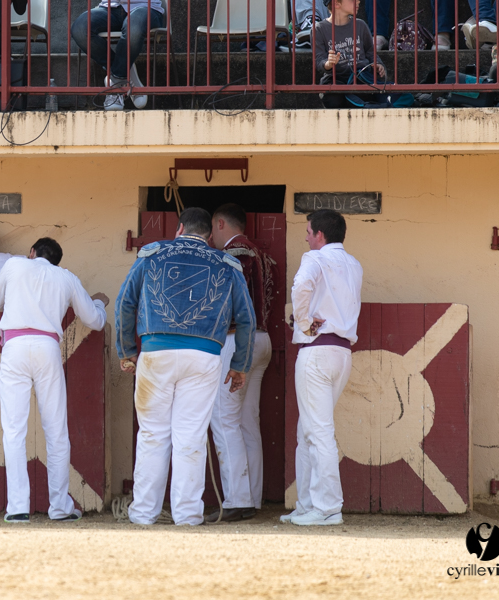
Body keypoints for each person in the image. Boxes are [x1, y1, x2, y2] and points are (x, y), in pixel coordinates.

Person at [114, 207, 256, 526]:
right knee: (190, 436)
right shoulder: (226, 263)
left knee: (152, 434)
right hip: (204, 356)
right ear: (209, 236)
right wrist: (240, 365)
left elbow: (125, 302)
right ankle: (188, 516)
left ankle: (143, 513)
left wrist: (127, 350)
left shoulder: (150, 255)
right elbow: (247, 319)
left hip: (156, 354)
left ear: (179, 230)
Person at [0, 237, 107, 522]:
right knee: (56, 430)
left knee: (14, 430)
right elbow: (94, 320)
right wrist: (99, 304)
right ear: (56, 260)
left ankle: (17, 507)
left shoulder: (14, 265)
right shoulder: (65, 277)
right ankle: (59, 507)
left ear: (32, 252)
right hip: (48, 349)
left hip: (14, 348)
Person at [282, 209, 362, 527]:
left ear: (320, 235)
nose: (306, 237)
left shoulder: (314, 259)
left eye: (308, 231)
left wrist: (303, 320)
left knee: (318, 431)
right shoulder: (354, 264)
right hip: (342, 352)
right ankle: (307, 504)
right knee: (309, 431)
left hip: (316, 351)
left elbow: (301, 286)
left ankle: (327, 507)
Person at [206, 203, 274, 522]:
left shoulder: (234, 254)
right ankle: (253, 497)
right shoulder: (259, 253)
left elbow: (226, 304)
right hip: (263, 340)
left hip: (238, 341)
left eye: (212, 231)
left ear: (220, 224)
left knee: (224, 419)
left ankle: (236, 499)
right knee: (248, 422)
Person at [314, 0, 386, 107]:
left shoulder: (360, 25)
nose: (358, 1)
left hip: (360, 76)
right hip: (335, 79)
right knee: (333, 98)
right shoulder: (319, 29)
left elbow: (370, 52)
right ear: (336, 3)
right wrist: (328, 63)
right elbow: (318, 61)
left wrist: (378, 64)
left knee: (368, 93)